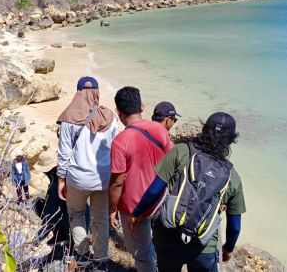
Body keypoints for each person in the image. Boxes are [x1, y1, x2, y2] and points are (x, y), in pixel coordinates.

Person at [130, 112, 246, 272]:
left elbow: (154, 190)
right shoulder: (232, 176)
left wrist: (136, 213)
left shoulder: (181, 151)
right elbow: (234, 227)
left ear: (204, 130)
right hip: (203, 247)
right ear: (231, 141)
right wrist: (228, 249)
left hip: (167, 237)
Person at [109, 86, 173, 272]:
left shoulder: (120, 142)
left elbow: (117, 181)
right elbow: (171, 161)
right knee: (159, 246)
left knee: (141, 254)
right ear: (142, 106)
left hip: (133, 207)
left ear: (118, 112)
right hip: (160, 198)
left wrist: (112, 209)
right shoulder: (160, 130)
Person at [56, 76, 118, 269]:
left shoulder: (68, 118)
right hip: (103, 179)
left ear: (77, 92)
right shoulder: (110, 117)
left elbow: (64, 153)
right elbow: (115, 149)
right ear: (97, 92)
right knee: (100, 218)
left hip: (78, 179)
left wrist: (60, 179)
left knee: (76, 213)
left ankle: (82, 255)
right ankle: (101, 259)